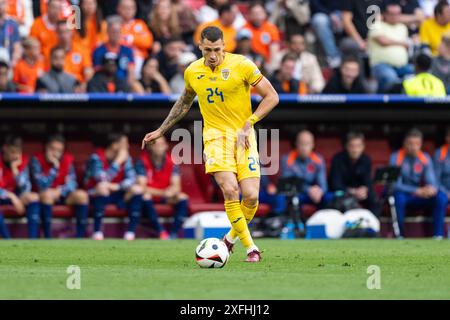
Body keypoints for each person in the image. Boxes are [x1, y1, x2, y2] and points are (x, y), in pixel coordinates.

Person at [142, 26, 279, 262]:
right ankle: (251, 248)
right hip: (214, 139)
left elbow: (272, 96)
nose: (213, 55)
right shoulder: (193, 71)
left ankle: (229, 240)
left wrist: (250, 123)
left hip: (244, 137)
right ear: (200, 47)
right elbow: (183, 103)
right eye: (208, 50)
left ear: (224, 46)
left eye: (217, 49)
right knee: (230, 190)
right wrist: (161, 129)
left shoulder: (242, 65)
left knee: (251, 197)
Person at [84, 133, 143, 241]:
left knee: (137, 189)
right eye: (125, 144)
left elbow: (132, 179)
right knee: (102, 188)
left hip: (118, 193)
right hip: (95, 194)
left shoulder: (126, 159)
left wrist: (117, 186)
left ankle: (130, 233)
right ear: (114, 145)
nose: (128, 146)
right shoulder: (96, 157)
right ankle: (97, 232)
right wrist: (117, 162)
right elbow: (102, 179)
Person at [390, 128, 447, 238]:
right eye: (410, 143)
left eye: (417, 144)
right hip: (405, 195)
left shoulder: (424, 157)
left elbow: (433, 182)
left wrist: (431, 189)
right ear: (404, 144)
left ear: (421, 144)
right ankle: (400, 235)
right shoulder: (396, 157)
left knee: (441, 197)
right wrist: (416, 190)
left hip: (420, 196)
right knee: (398, 197)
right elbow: (395, 185)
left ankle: (438, 235)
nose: (413, 147)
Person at [30, 134, 89, 238]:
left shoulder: (67, 159)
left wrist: (60, 191)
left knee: (82, 195)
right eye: (52, 149)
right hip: (44, 197)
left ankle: (80, 237)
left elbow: (73, 183)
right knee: (47, 194)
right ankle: (47, 236)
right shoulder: (36, 160)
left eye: (59, 150)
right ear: (46, 147)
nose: (55, 153)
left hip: (63, 195)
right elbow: (41, 185)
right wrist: (55, 168)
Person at [136, 136, 189, 239]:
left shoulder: (172, 162)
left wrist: (170, 192)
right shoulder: (142, 161)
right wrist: (163, 193)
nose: (160, 147)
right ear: (150, 147)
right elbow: (142, 187)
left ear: (166, 146)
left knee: (182, 197)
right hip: (150, 196)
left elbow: (176, 186)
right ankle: (161, 231)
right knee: (145, 196)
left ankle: (174, 233)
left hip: (165, 196)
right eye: (156, 144)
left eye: (162, 144)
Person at [329, 131, 381, 216]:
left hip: (360, 193)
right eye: (352, 146)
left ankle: (371, 225)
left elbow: (368, 182)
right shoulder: (337, 159)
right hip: (343, 193)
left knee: (374, 200)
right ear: (346, 146)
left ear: (363, 147)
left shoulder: (366, 160)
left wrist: (364, 189)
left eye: (358, 146)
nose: (355, 150)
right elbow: (336, 184)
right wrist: (352, 191)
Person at [368, 3, 414, 93]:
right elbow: (382, 41)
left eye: (397, 14)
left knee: (416, 75)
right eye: (392, 14)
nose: (395, 16)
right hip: (380, 65)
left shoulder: (403, 27)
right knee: (390, 78)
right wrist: (402, 43)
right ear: (385, 14)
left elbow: (406, 45)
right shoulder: (376, 24)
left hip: (402, 66)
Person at [280, 130, 333, 209]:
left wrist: (319, 191)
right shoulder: (287, 159)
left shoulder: (318, 159)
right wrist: (308, 189)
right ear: (296, 144)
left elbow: (323, 185)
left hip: (315, 194)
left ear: (313, 145)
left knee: (330, 197)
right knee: (285, 198)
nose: (304, 148)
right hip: (297, 194)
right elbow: (288, 183)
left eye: (307, 144)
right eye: (301, 144)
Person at [0, 135, 40, 239]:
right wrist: (11, 196)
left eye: (17, 152)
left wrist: (15, 170)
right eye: (12, 152)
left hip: (16, 195)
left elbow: (26, 188)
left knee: (33, 197)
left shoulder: (21, 162)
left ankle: (33, 240)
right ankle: (7, 240)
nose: (15, 156)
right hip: (4, 196)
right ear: (5, 148)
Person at [93, 15, 136, 88]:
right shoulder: (99, 51)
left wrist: (128, 88)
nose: (116, 34)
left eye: (118, 31)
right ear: (107, 32)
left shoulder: (127, 50)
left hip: (123, 85)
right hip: (104, 85)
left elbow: (131, 71)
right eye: (113, 31)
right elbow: (97, 73)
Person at [117, 0, 153, 78]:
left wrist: (132, 39)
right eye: (125, 8)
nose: (128, 11)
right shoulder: (115, 24)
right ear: (119, 9)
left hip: (138, 59)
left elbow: (148, 42)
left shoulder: (140, 24)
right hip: (120, 57)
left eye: (131, 8)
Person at [53, 20, 94, 89]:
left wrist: (83, 86)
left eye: (66, 32)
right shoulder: (51, 51)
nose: (63, 35)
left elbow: (88, 72)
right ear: (56, 34)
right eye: (60, 32)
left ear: (71, 32)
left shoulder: (82, 50)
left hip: (78, 87)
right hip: (58, 88)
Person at [310, 0, 343, 68]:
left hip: (343, 13)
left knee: (348, 19)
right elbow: (314, 5)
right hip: (322, 14)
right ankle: (333, 56)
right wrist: (330, 15)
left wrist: (342, 16)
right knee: (320, 21)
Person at [433, 127, 450, 214]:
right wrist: (447, 193)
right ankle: (438, 228)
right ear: (447, 138)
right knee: (440, 199)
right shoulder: (439, 153)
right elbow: (435, 180)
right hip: (444, 191)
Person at [0, 0, 21, 65]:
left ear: (6, 5)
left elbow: (17, 46)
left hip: (8, 61)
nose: (0, 6)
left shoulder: (12, 23)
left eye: (2, 3)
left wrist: (13, 62)